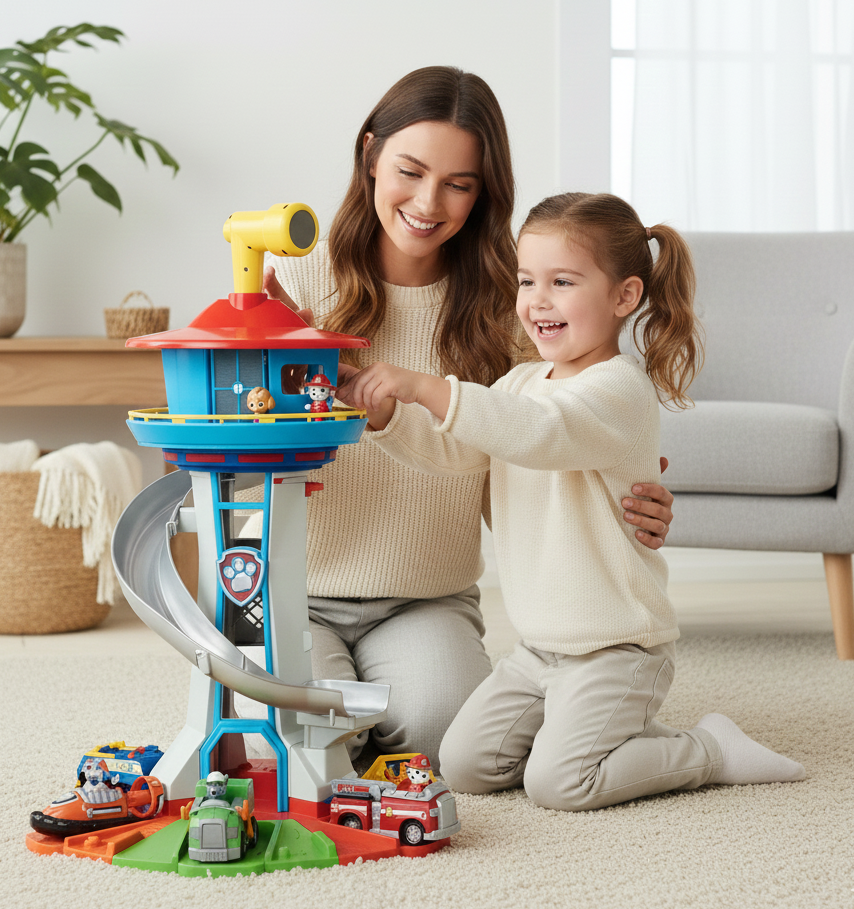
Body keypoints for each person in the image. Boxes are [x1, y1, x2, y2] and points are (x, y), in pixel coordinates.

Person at [258, 67, 674, 771]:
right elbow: (233, 438)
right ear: (370, 155)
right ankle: (338, 714)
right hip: (295, 589)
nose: (428, 203)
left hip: (426, 597)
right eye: (410, 171)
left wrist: (627, 486)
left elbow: (552, 429)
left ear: (484, 192)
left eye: (459, 183)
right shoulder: (293, 281)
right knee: (303, 749)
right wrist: (270, 361)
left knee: (442, 742)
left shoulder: (515, 304)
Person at [337, 192, 806, 810]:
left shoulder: (619, 389)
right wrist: (386, 416)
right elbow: (459, 453)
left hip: (615, 647)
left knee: (559, 785)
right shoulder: (522, 382)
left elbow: (543, 432)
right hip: (538, 650)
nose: (537, 300)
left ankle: (709, 749)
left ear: (624, 296)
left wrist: (427, 387)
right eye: (527, 281)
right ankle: (594, 733)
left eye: (562, 282)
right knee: (466, 764)